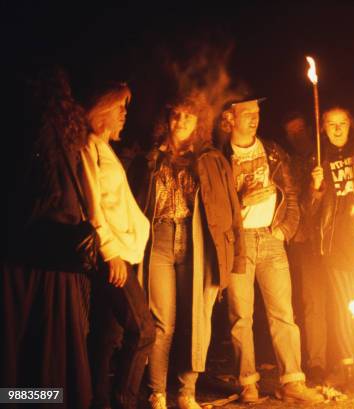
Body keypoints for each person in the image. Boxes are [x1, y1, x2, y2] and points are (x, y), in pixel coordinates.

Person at [129, 91, 245, 409]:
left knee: (197, 320)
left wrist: (235, 259)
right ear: (166, 118)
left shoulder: (211, 158)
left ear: (199, 122)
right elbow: (134, 206)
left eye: (189, 116)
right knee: (161, 321)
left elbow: (232, 212)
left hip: (198, 244)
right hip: (161, 241)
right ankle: (157, 393)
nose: (181, 121)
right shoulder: (149, 158)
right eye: (176, 114)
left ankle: (186, 392)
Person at [221, 99, 324, 403]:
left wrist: (284, 230)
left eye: (257, 114)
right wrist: (242, 200)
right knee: (241, 315)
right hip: (239, 243)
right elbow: (214, 210)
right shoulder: (219, 156)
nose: (254, 119)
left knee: (284, 314)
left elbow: (290, 195)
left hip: (271, 238)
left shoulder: (273, 151)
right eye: (247, 114)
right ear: (230, 117)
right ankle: (247, 382)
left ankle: (292, 381)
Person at [1, 67, 92, 409]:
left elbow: (35, 191)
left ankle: (21, 402)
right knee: (53, 355)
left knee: (19, 352)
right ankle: (47, 401)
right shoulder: (67, 129)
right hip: (59, 259)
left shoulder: (31, 125)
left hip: (26, 259)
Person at [81, 82, 155, 409]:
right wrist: (110, 252)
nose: (125, 114)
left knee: (107, 337)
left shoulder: (104, 147)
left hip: (122, 251)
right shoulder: (88, 146)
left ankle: (99, 401)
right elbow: (92, 205)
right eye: (120, 107)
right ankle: (123, 400)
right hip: (112, 255)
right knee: (143, 331)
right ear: (103, 108)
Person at [308, 106, 354, 391]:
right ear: (323, 128)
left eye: (342, 123)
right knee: (342, 307)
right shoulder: (317, 159)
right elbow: (308, 211)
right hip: (335, 242)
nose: (337, 129)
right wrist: (315, 189)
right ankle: (349, 367)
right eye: (331, 124)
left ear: (351, 125)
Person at [282, 112, 327, 384]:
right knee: (311, 301)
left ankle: (349, 358)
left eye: (300, 130)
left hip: (334, 239)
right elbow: (298, 205)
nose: (298, 136)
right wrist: (313, 189)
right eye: (292, 133)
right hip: (305, 242)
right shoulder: (292, 164)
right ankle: (317, 361)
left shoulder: (324, 156)